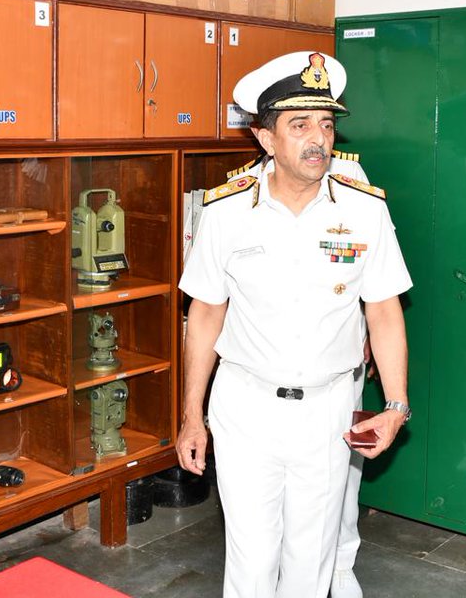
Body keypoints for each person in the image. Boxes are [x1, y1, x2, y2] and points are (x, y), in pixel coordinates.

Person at [176, 50, 412, 597]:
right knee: (252, 560)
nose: (319, 139)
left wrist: (396, 405)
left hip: (327, 410)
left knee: (312, 563)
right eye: (300, 124)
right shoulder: (226, 211)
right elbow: (205, 313)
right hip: (245, 406)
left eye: (326, 124)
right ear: (265, 138)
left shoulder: (363, 209)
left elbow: (383, 309)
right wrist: (192, 415)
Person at [227, 149, 371, 598]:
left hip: (336, 364)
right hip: (261, 376)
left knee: (343, 475)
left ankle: (341, 561)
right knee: (257, 533)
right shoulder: (238, 190)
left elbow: (364, 273)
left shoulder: (349, 176)